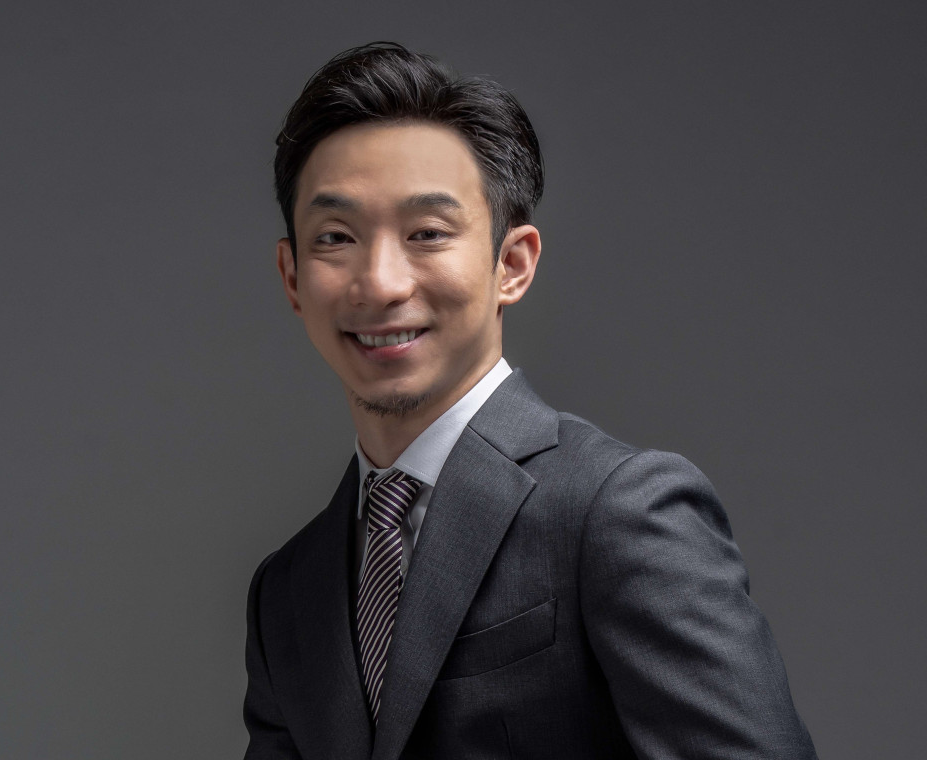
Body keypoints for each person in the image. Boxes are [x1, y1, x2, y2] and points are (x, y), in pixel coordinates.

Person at [244, 42, 818, 760]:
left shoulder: (616, 511)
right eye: (336, 237)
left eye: (427, 234)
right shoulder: (288, 590)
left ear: (511, 265)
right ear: (292, 277)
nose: (382, 283)